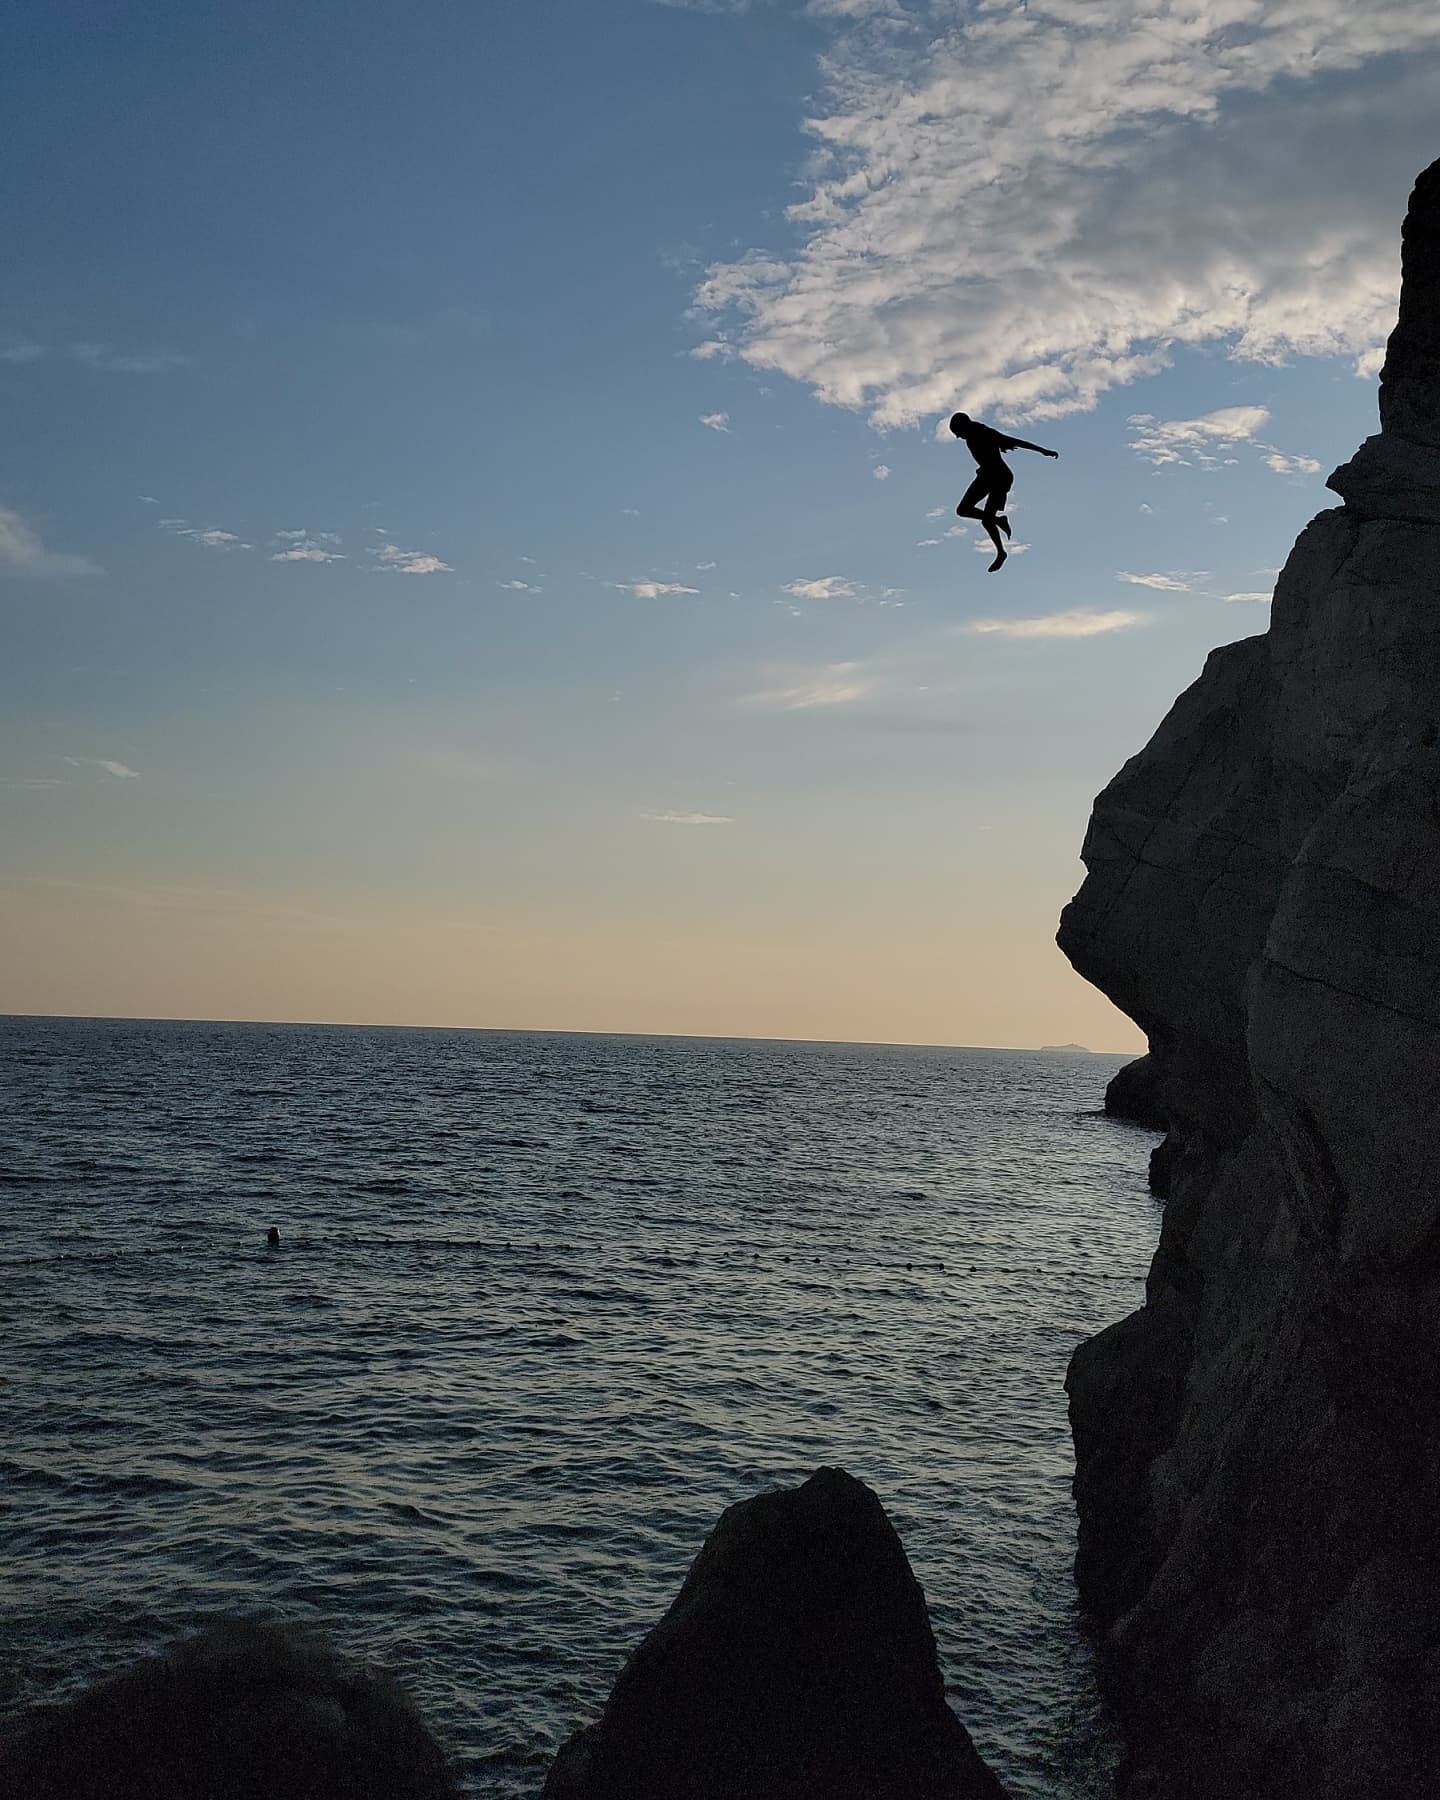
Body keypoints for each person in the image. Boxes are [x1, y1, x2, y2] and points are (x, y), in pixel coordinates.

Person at [949, 412, 1058, 572]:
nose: (958, 437)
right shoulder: (971, 436)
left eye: (958, 433)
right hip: (986, 476)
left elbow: (1017, 442)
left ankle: (1001, 552)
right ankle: (999, 521)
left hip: (1000, 477)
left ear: (964, 426)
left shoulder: (984, 433)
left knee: (986, 521)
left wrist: (1043, 451)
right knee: (962, 510)